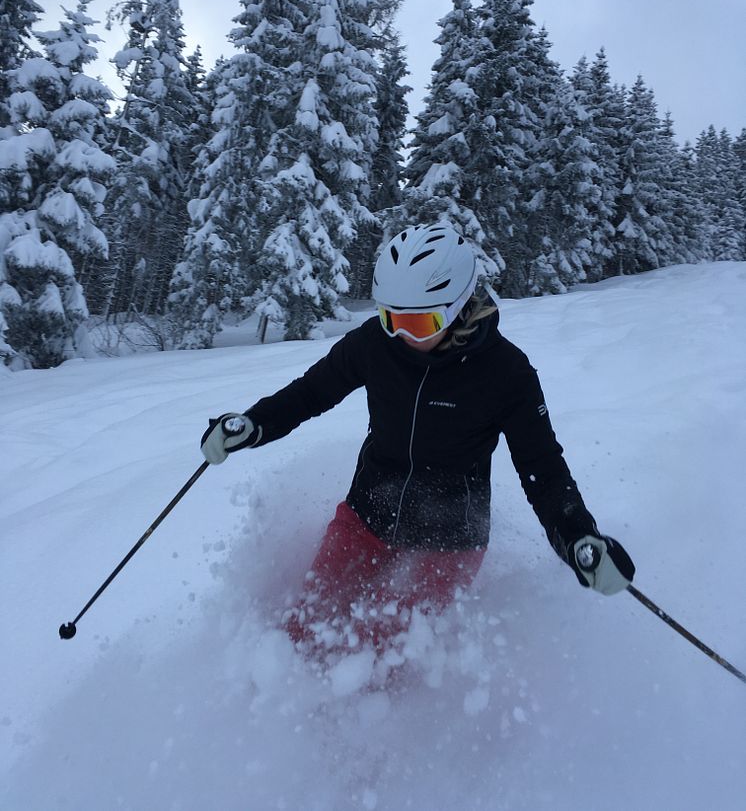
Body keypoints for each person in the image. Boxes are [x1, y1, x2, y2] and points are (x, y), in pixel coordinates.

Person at [201, 223, 634, 659]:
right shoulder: (376, 344)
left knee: (385, 657)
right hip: (367, 514)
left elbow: (542, 467)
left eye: (420, 322)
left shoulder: (507, 373)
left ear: (460, 304)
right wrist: (254, 423)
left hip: (449, 540)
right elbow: (312, 392)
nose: (403, 334)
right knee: (306, 630)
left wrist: (578, 536)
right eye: (392, 318)